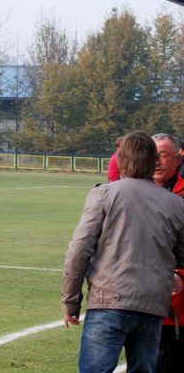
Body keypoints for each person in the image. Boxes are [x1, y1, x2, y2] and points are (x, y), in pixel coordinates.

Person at [62, 130, 184, 373]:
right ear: (152, 160)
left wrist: (70, 302)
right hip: (152, 306)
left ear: (121, 160)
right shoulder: (176, 203)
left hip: (109, 301)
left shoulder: (104, 193)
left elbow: (79, 250)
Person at [152, 133, 184, 373]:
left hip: (177, 309)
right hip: (141, 305)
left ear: (178, 157)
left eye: (163, 155)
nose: (157, 161)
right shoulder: (133, 192)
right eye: (153, 155)